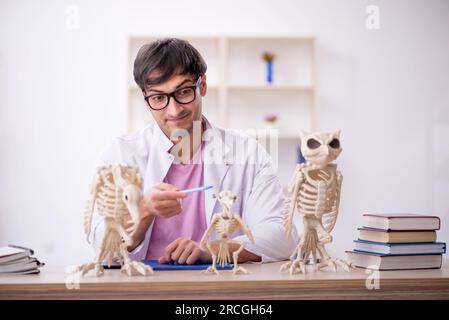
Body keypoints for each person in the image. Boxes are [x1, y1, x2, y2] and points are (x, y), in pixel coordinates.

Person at [90, 38, 298, 265]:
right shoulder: (120, 154)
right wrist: (144, 211)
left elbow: (283, 236)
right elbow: (102, 247)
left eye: (184, 91)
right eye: (159, 97)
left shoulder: (248, 153)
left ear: (203, 85)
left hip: (220, 290)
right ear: (146, 99)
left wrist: (214, 249)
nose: (174, 109)